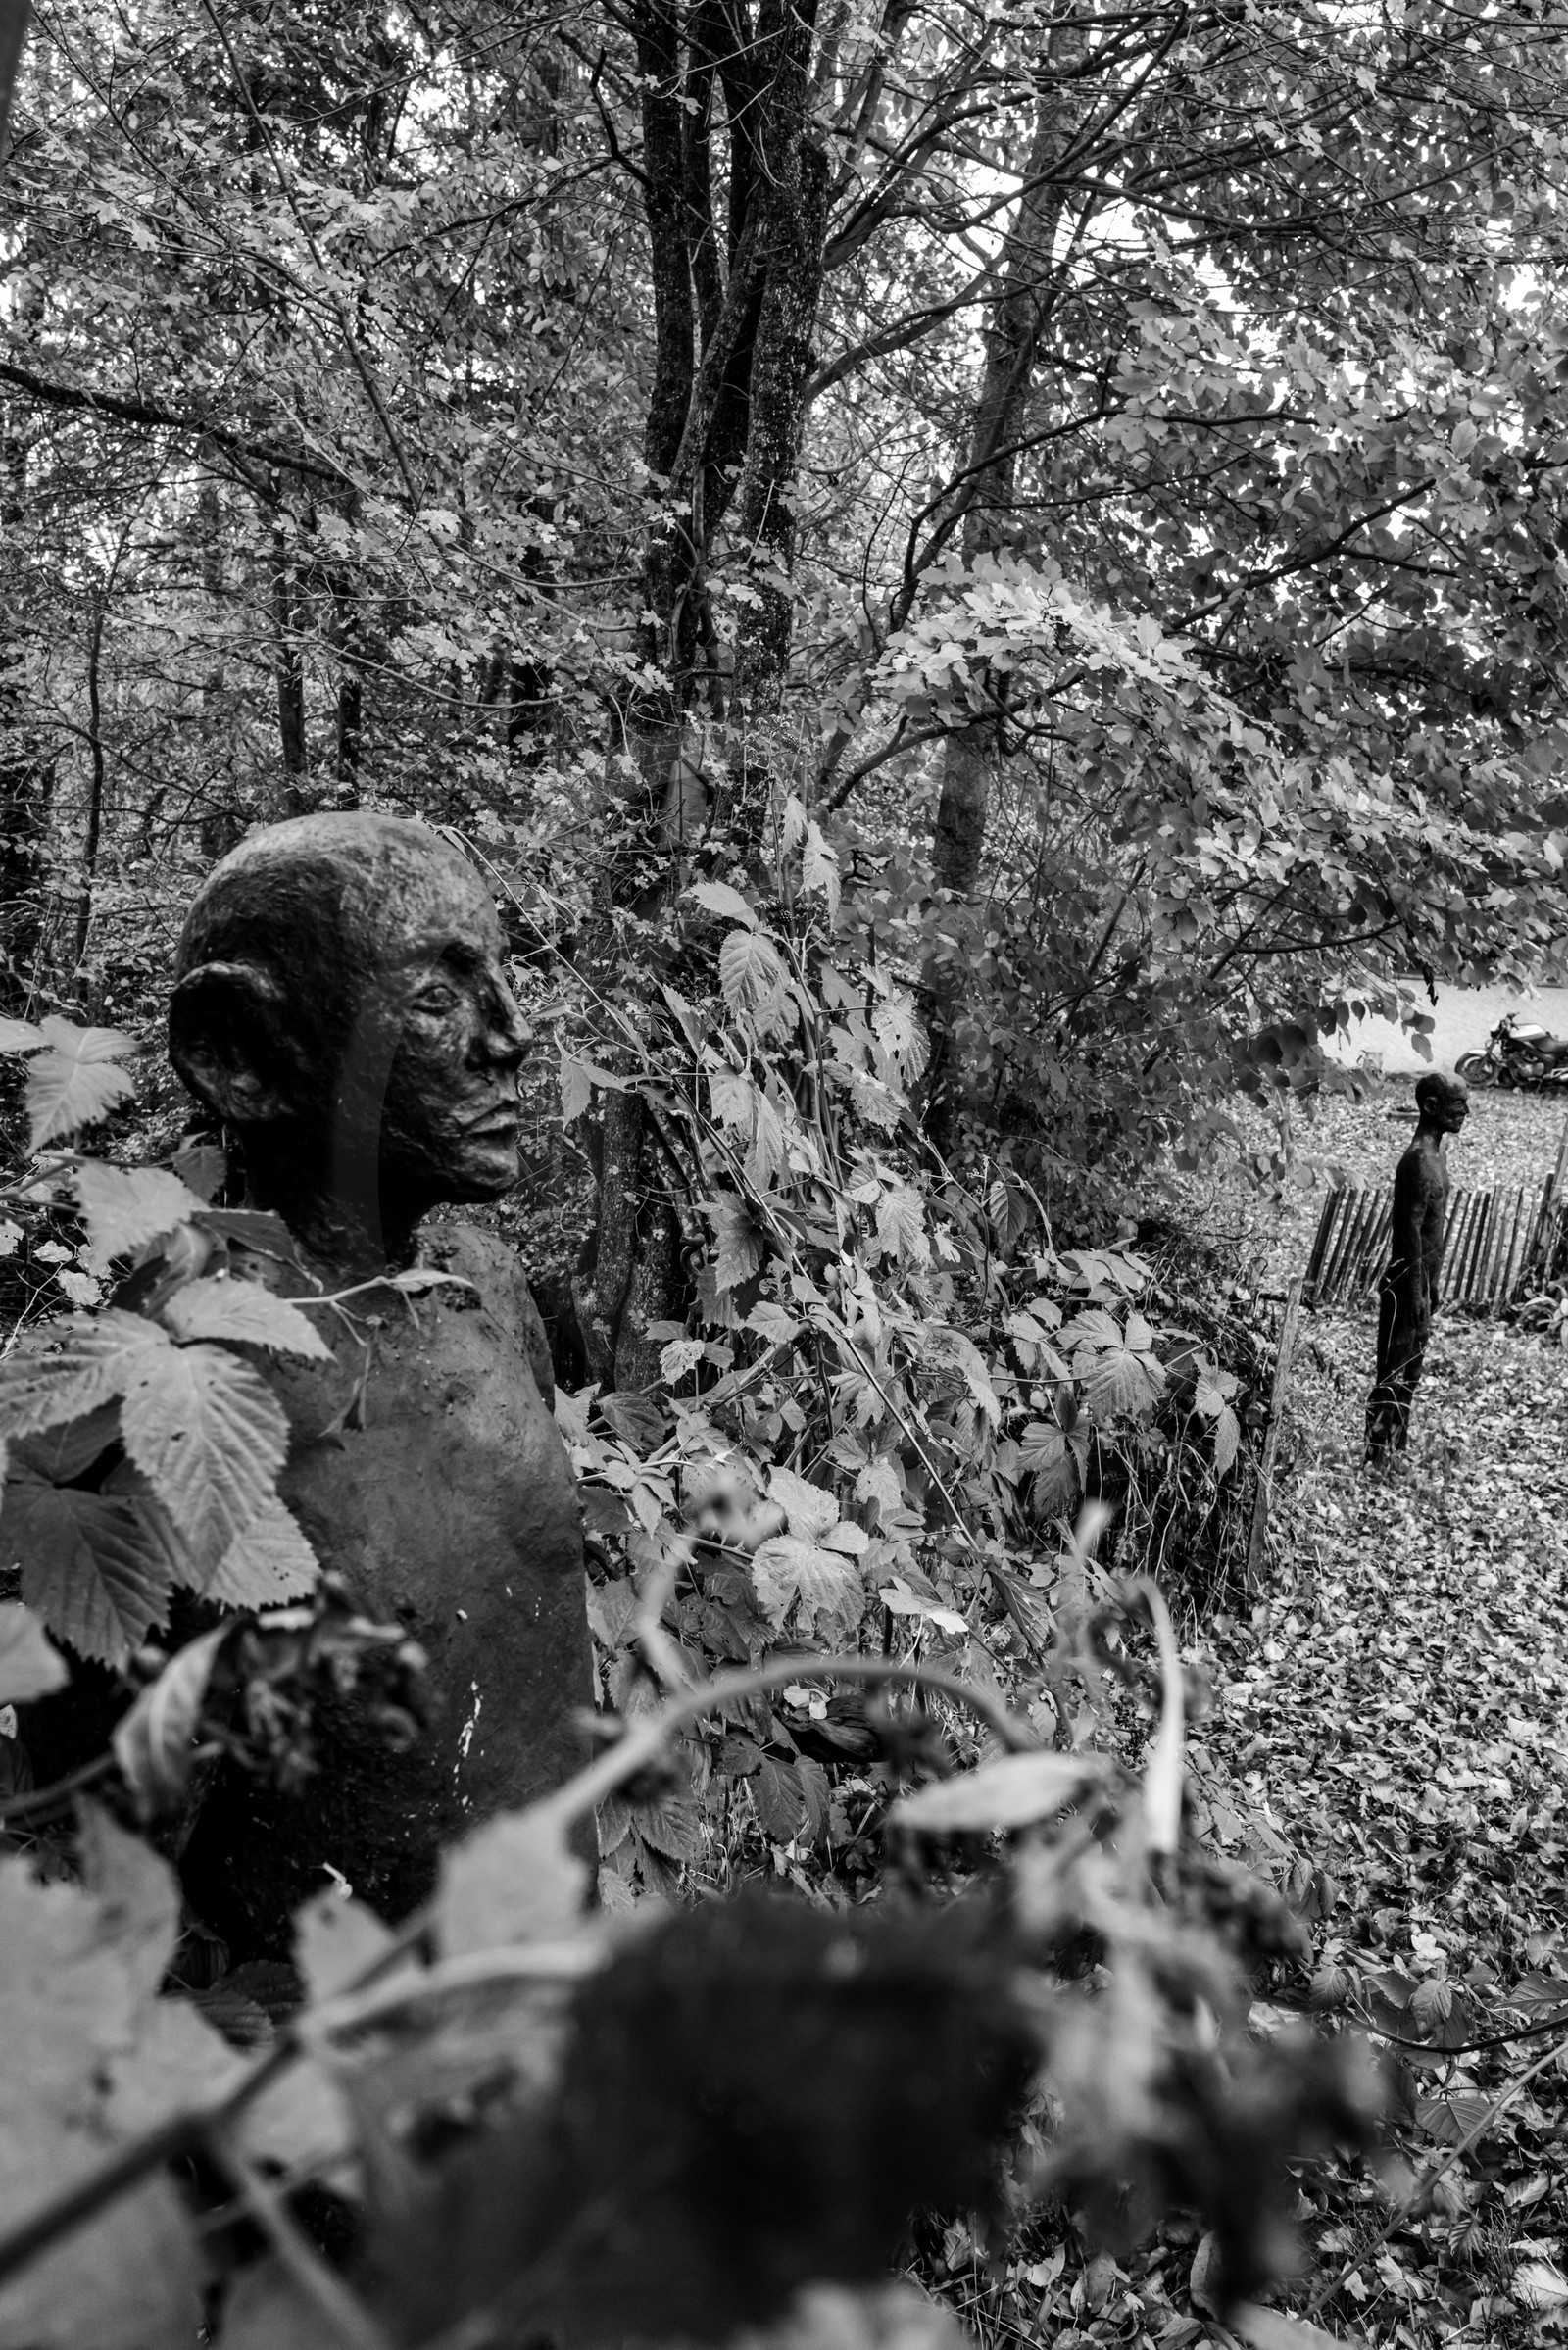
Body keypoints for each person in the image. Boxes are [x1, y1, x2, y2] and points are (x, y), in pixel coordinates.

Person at [167, 812, 591, 1953]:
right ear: (242, 1055)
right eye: (437, 996)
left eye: (500, 975)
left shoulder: (487, 1288)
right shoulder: (187, 1397)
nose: (512, 1034)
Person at [1365, 1069, 1469, 1462]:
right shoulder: (1419, 1162)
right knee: (1394, 1371)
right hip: (1408, 1284)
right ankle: (1377, 1456)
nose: (1465, 1112)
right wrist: (1415, 1291)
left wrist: (1432, 1285)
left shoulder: (1435, 1156)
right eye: (1458, 1104)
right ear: (1431, 1107)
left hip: (1421, 1282)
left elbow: (1427, 1231)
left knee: (1410, 1371)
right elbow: (1406, 1230)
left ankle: (1395, 1449)